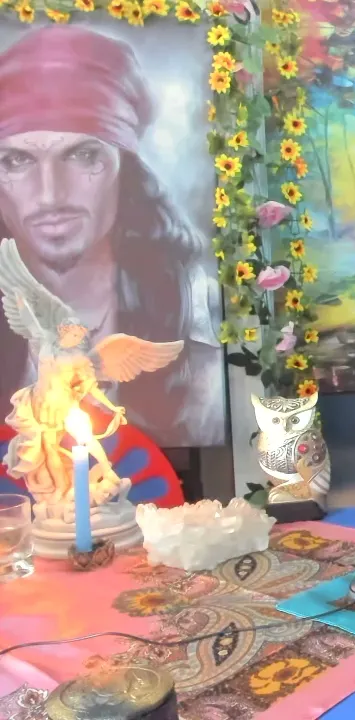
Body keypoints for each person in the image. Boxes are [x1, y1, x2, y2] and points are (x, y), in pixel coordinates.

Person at [0, 26, 224, 447]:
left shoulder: (196, 310)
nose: (50, 196)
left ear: (126, 168)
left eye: (84, 155)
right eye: (16, 160)